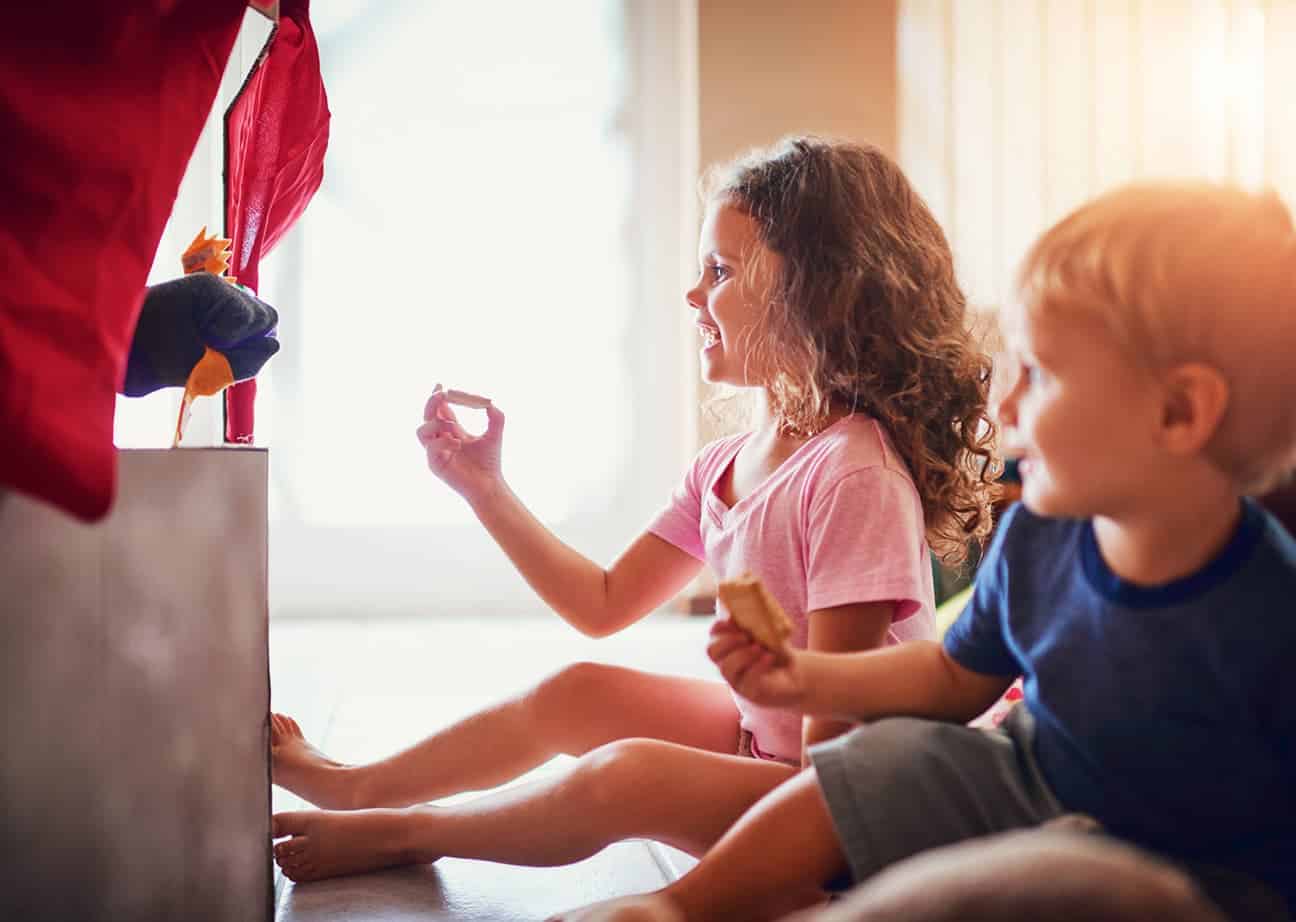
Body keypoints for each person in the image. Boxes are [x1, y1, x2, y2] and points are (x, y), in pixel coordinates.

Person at [268, 136, 997, 890]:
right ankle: (361, 787)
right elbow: (603, 603)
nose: (693, 295)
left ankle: (409, 832)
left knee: (629, 775)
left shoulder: (856, 474)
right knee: (578, 689)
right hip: (773, 754)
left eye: (719, 272)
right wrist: (485, 490)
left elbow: (831, 753)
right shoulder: (726, 464)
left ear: (817, 292)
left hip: (852, 811)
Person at [557, 182, 1296, 921]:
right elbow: (951, 675)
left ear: (1179, 411)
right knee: (873, 767)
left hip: (1189, 870)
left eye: (1039, 376)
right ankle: (684, 906)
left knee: (1084, 890)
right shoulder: (1040, 537)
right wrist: (806, 678)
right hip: (1033, 779)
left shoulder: (1269, 610)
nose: (1005, 409)